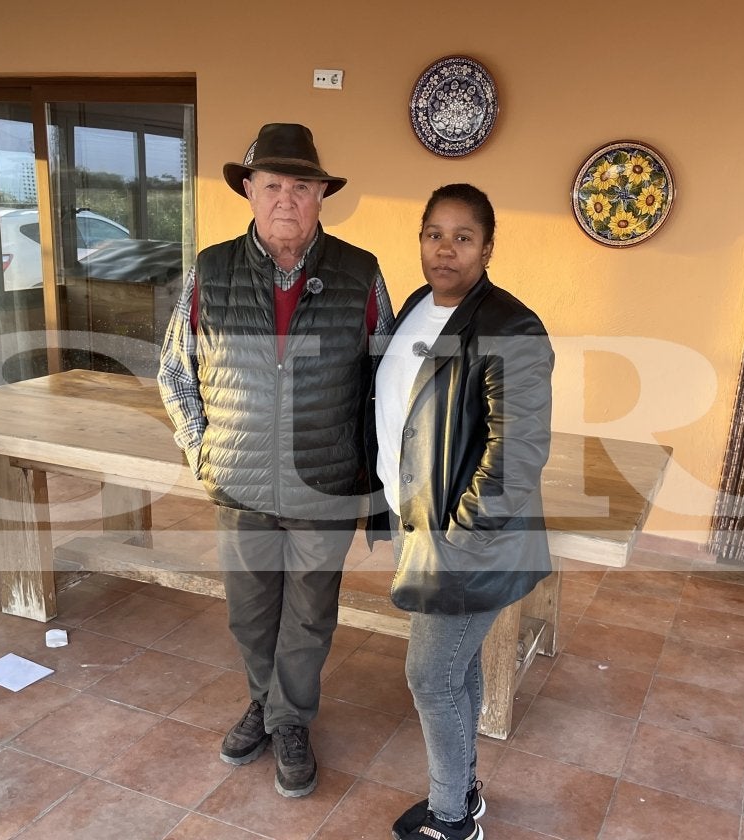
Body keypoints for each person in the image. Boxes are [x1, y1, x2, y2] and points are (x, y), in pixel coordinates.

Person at [158, 123, 393, 798]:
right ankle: (265, 702)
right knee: (250, 613)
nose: (285, 198)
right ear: (249, 193)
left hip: (325, 481)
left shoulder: (360, 272)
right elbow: (175, 370)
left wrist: (378, 468)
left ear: (322, 195)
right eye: (272, 186)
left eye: (300, 186)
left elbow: (391, 374)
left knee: (311, 613)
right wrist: (199, 447)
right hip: (240, 483)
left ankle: (289, 720)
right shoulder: (212, 268)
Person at [374, 184, 554, 840]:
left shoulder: (512, 325)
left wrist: (462, 539)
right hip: (415, 520)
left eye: (462, 237)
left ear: (487, 248)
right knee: (455, 668)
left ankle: (452, 823)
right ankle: (465, 792)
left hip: (463, 536)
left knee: (430, 674)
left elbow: (518, 449)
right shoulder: (420, 304)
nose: (444, 249)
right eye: (433, 234)